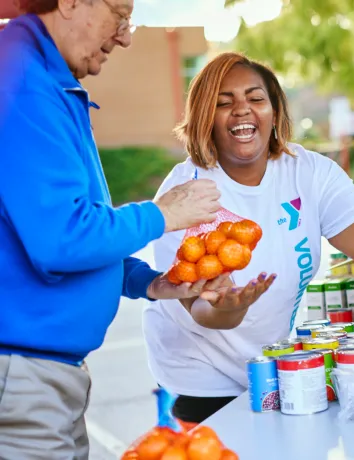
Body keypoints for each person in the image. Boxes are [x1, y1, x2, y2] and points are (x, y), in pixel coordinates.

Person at [0, 1, 223, 458]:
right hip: (21, 372)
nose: (124, 37)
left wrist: (149, 283)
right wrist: (162, 213)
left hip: (44, 372)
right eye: (120, 16)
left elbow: (60, 226)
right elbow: (62, 238)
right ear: (71, 2)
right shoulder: (21, 81)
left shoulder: (44, 77)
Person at [143, 51, 354, 424]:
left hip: (273, 361)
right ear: (205, 117)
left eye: (255, 98)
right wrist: (229, 306)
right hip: (204, 379)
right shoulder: (188, 193)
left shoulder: (308, 170)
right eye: (224, 103)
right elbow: (201, 310)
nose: (242, 110)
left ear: (274, 112)